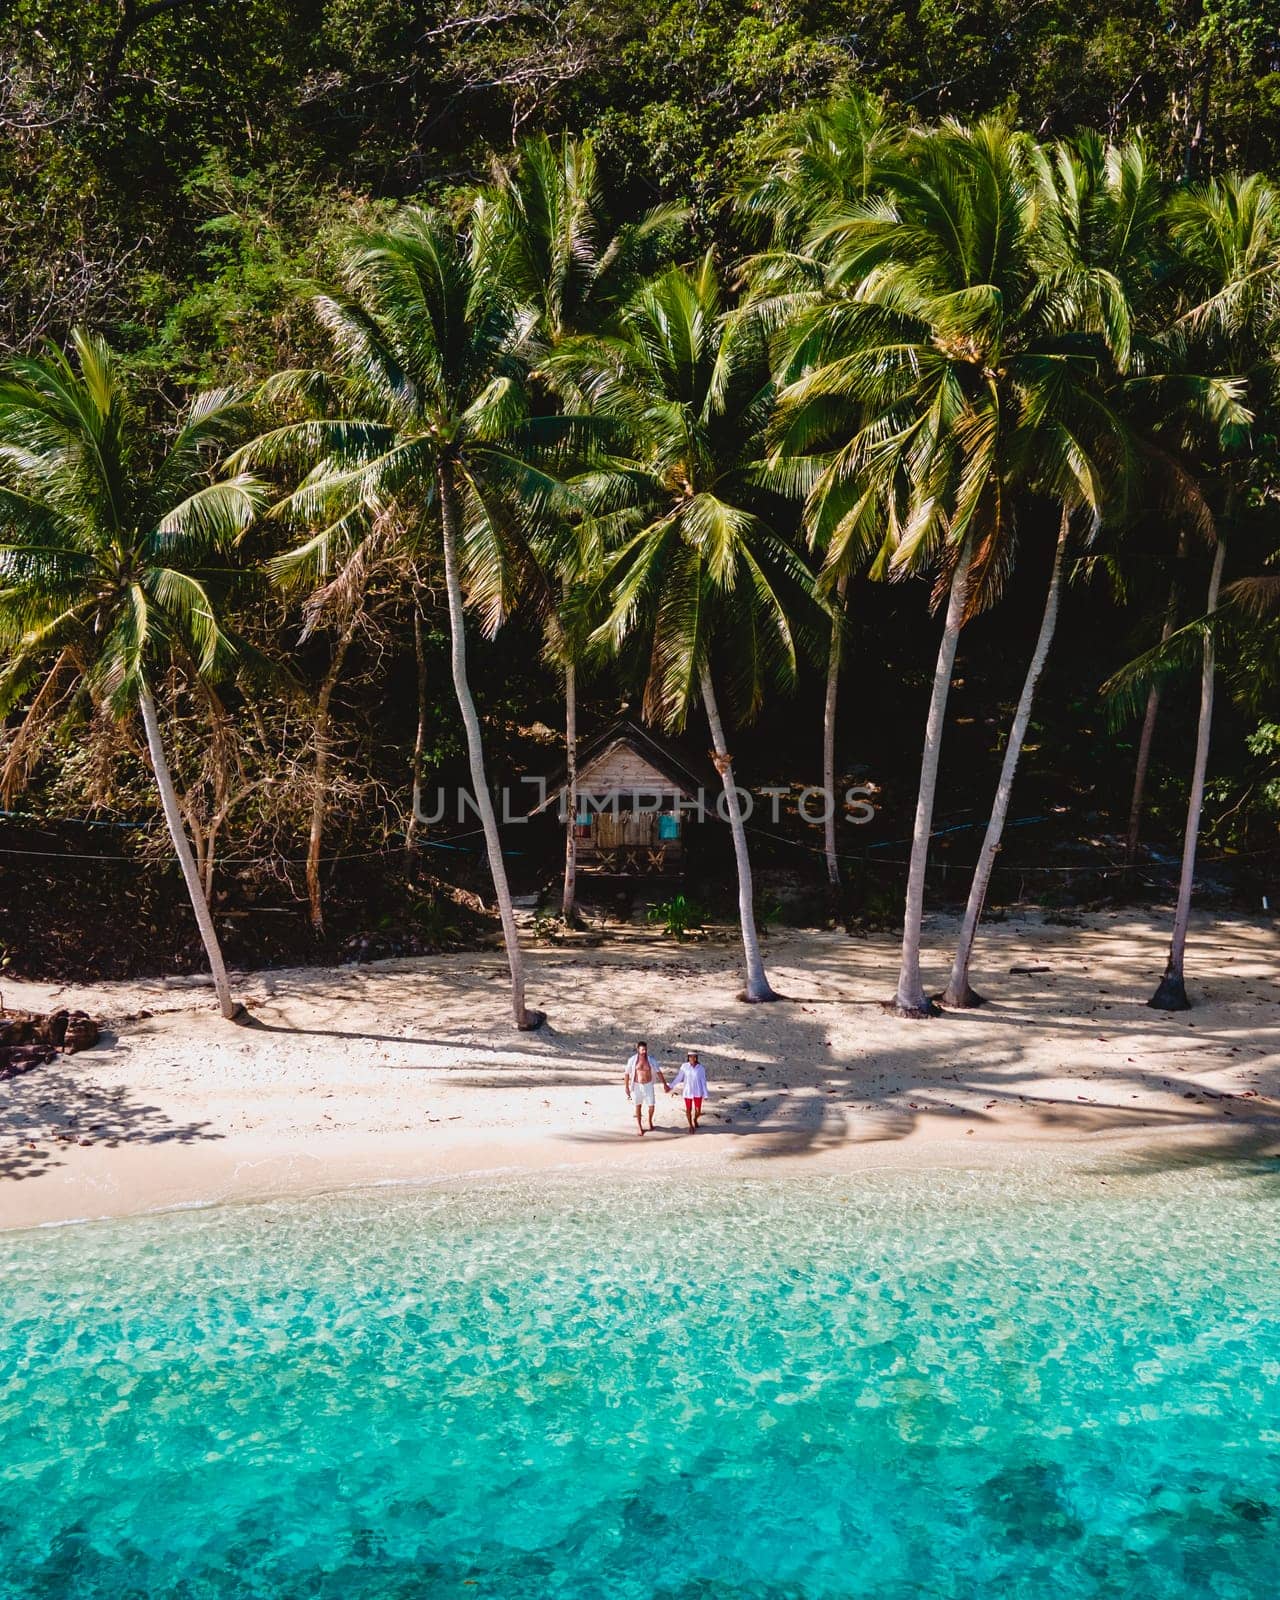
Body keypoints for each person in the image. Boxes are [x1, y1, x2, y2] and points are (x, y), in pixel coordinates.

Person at [624, 1040, 668, 1136]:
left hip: (648, 1085)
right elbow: (627, 1073)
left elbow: (658, 1072)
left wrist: (665, 1084)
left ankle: (649, 1121)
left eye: (645, 1049)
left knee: (651, 1106)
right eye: (642, 1050)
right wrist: (626, 1087)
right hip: (636, 1085)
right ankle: (639, 1126)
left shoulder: (651, 1059)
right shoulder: (632, 1060)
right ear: (638, 1050)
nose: (644, 1051)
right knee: (638, 1105)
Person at [668, 1049, 708, 1132]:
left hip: (698, 1091)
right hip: (688, 1091)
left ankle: (695, 1119)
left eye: (694, 1057)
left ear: (696, 1058)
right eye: (690, 1057)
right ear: (688, 1057)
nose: (692, 1058)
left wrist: (705, 1094)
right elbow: (679, 1078)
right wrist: (671, 1086)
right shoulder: (684, 1066)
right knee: (688, 1109)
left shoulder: (701, 1068)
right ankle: (690, 1125)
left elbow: (703, 1081)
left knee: (698, 1111)